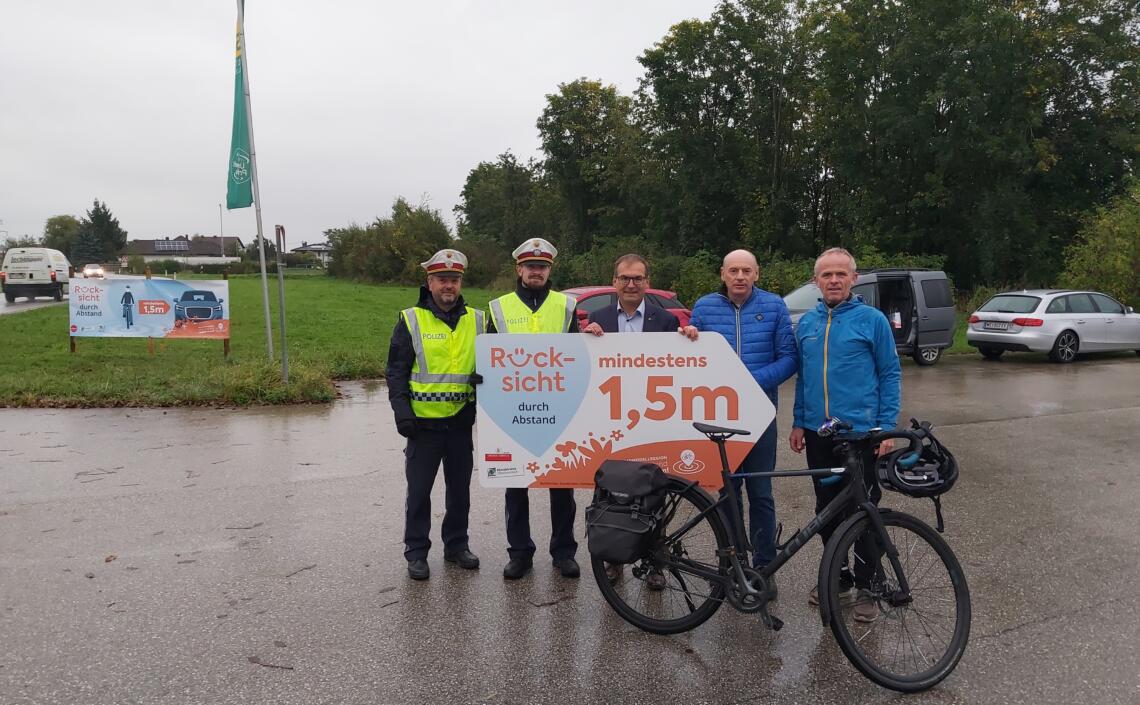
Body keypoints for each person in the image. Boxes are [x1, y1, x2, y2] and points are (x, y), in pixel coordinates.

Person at [789, 247, 901, 621]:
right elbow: (804, 378)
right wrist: (799, 422)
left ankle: (869, 586)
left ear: (854, 278)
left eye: (841, 274)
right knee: (825, 509)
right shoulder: (807, 323)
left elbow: (889, 373)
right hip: (819, 435)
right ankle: (838, 579)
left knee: (863, 511)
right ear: (815, 280)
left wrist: (886, 426)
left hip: (860, 436)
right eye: (826, 275)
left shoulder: (872, 321)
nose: (833, 280)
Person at [687, 249, 796, 591]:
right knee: (727, 493)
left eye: (746, 270)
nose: (739, 276)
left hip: (760, 414)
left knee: (761, 493)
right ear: (722, 274)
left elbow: (789, 358)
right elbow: (693, 356)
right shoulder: (704, 307)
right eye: (733, 270)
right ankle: (732, 564)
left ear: (757, 274)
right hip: (718, 416)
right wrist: (687, 338)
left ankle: (765, 566)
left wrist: (750, 382)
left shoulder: (774, 306)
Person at [582, 253, 683, 589]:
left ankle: (655, 560)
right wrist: (585, 339)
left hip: (653, 418)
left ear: (647, 282)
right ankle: (614, 560)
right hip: (609, 419)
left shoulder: (665, 320)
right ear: (614, 282)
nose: (631, 284)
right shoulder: (596, 320)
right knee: (612, 491)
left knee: (655, 490)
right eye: (624, 278)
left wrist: (691, 339)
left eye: (637, 278)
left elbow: (681, 366)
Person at [386, 249, 485, 581]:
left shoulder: (479, 320)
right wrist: (402, 414)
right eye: (442, 279)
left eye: (454, 280)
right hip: (422, 425)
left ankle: (456, 546)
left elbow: (503, 360)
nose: (449, 286)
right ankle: (416, 552)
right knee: (419, 493)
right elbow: (396, 372)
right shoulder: (411, 319)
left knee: (460, 493)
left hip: (459, 422)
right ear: (429, 282)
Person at [487, 237, 582, 580]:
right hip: (513, 410)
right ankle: (520, 552)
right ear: (519, 269)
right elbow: (490, 357)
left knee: (562, 483)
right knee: (516, 484)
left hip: (558, 408)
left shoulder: (566, 306)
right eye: (531, 266)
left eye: (542, 267)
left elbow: (579, 358)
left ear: (549, 270)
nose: (536, 271)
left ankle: (563, 552)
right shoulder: (499, 308)